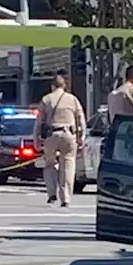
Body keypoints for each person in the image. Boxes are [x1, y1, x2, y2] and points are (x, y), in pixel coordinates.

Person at [35, 74, 86, 207]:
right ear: (64, 86)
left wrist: (36, 139)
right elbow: (81, 119)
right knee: (68, 165)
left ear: (52, 86)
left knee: (50, 163)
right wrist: (81, 136)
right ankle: (66, 198)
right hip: (69, 134)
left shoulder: (46, 99)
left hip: (52, 134)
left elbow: (39, 122)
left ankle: (52, 193)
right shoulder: (73, 99)